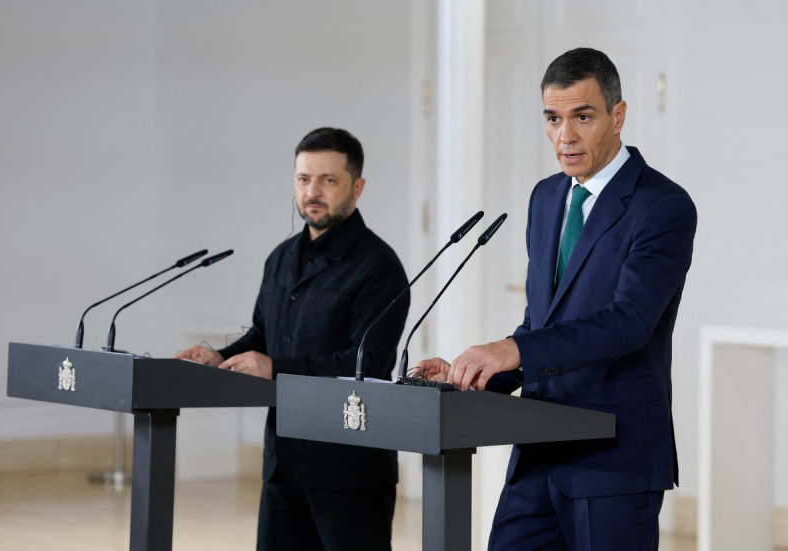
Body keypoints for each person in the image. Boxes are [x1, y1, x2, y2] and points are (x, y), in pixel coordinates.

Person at [416, 48, 697, 549]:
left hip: (613, 457)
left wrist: (515, 350)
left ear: (618, 115)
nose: (564, 137)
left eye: (582, 117)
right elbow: (540, 323)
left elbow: (629, 321)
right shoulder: (547, 197)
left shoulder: (663, 205)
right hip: (538, 450)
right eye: (552, 118)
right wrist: (477, 373)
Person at [177, 127, 410, 550]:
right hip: (284, 461)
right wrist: (220, 358)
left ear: (357, 188)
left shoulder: (378, 267)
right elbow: (264, 337)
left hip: (349, 466)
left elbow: (366, 365)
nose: (312, 192)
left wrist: (274, 370)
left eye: (328, 180)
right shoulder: (281, 258)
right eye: (303, 180)